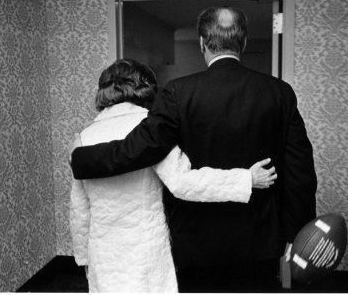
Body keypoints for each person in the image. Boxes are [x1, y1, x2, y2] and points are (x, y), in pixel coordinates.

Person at [70, 6, 317, 292]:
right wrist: (298, 234)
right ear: (244, 42)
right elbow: (301, 172)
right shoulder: (280, 93)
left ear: (202, 43)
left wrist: (81, 157)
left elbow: (139, 149)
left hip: (197, 240)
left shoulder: (177, 93)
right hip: (260, 238)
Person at [69, 59, 277, 292]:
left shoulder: (84, 138)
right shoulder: (150, 129)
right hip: (146, 248)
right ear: (144, 86)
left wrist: (84, 258)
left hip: (102, 252)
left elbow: (79, 208)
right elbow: (183, 182)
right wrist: (245, 179)